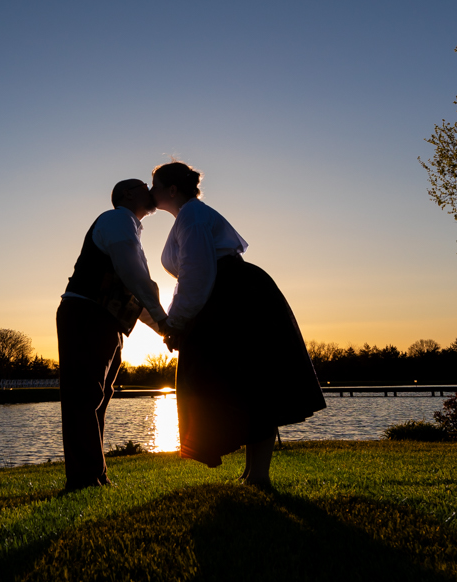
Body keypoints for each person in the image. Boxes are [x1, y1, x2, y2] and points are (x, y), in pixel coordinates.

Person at [152, 160, 324, 487]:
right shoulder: (188, 217)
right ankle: (252, 473)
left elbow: (198, 274)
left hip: (236, 297)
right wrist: (178, 319)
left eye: (155, 185)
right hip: (228, 296)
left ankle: (258, 475)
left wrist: (176, 322)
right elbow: (190, 277)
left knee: (253, 382)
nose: (151, 191)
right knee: (245, 383)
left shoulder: (192, 216)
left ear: (171, 190)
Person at [56, 178, 171, 490]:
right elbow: (134, 278)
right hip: (85, 315)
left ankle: (94, 475)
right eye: (144, 185)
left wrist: (164, 328)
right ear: (128, 194)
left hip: (103, 321)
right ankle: (84, 479)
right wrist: (164, 321)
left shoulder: (128, 226)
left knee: (98, 398)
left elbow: (131, 293)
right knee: (85, 397)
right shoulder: (118, 220)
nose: (151, 189)